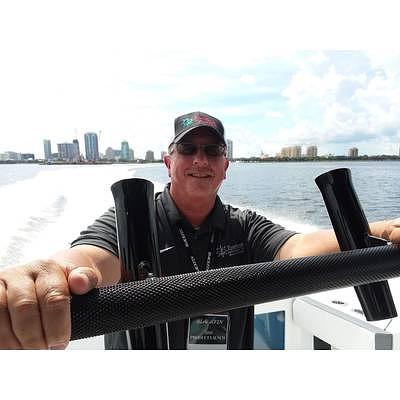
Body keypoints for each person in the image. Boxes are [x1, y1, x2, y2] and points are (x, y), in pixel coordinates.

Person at [1, 111, 400, 350]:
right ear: (168, 162)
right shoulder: (129, 222)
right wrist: (49, 274)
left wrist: (382, 229)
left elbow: (297, 248)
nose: (200, 160)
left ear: (225, 167)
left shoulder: (244, 226)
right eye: (188, 150)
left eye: (212, 151)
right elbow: (89, 257)